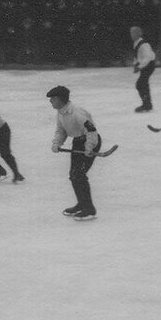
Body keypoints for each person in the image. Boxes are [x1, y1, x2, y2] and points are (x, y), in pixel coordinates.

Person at [47, 85, 100, 220]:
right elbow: (61, 131)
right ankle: (82, 204)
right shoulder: (60, 113)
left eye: (53, 98)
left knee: (79, 175)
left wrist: (89, 147)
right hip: (78, 142)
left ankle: (89, 209)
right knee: (73, 175)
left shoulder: (77, 113)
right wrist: (57, 143)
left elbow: (91, 130)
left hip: (90, 141)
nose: (50, 101)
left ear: (61, 99)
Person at [130, 25, 155, 113]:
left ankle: (146, 104)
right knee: (143, 84)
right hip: (145, 65)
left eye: (133, 33)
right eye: (131, 33)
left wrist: (139, 67)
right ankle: (147, 104)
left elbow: (148, 58)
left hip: (149, 65)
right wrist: (135, 64)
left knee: (140, 84)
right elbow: (137, 56)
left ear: (138, 34)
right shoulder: (136, 43)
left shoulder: (144, 44)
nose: (131, 35)